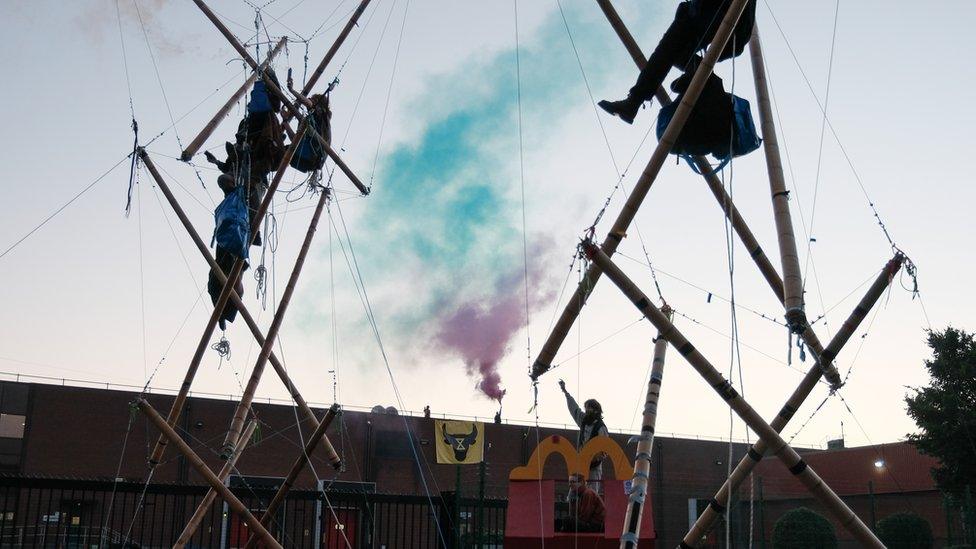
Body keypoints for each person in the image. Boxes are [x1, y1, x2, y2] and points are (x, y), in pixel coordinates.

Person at [598, 0, 757, 124]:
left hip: (729, 20)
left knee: (674, 39)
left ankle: (635, 100)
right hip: (710, 17)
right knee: (671, 49)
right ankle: (634, 101)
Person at [559, 380, 608, 492]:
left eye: (589, 408)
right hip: (580, 463)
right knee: (574, 491)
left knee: (591, 492)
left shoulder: (601, 427)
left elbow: (605, 449)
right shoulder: (584, 420)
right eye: (586, 408)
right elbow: (574, 409)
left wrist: (593, 458)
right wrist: (565, 391)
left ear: (596, 410)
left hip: (594, 467)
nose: (586, 410)